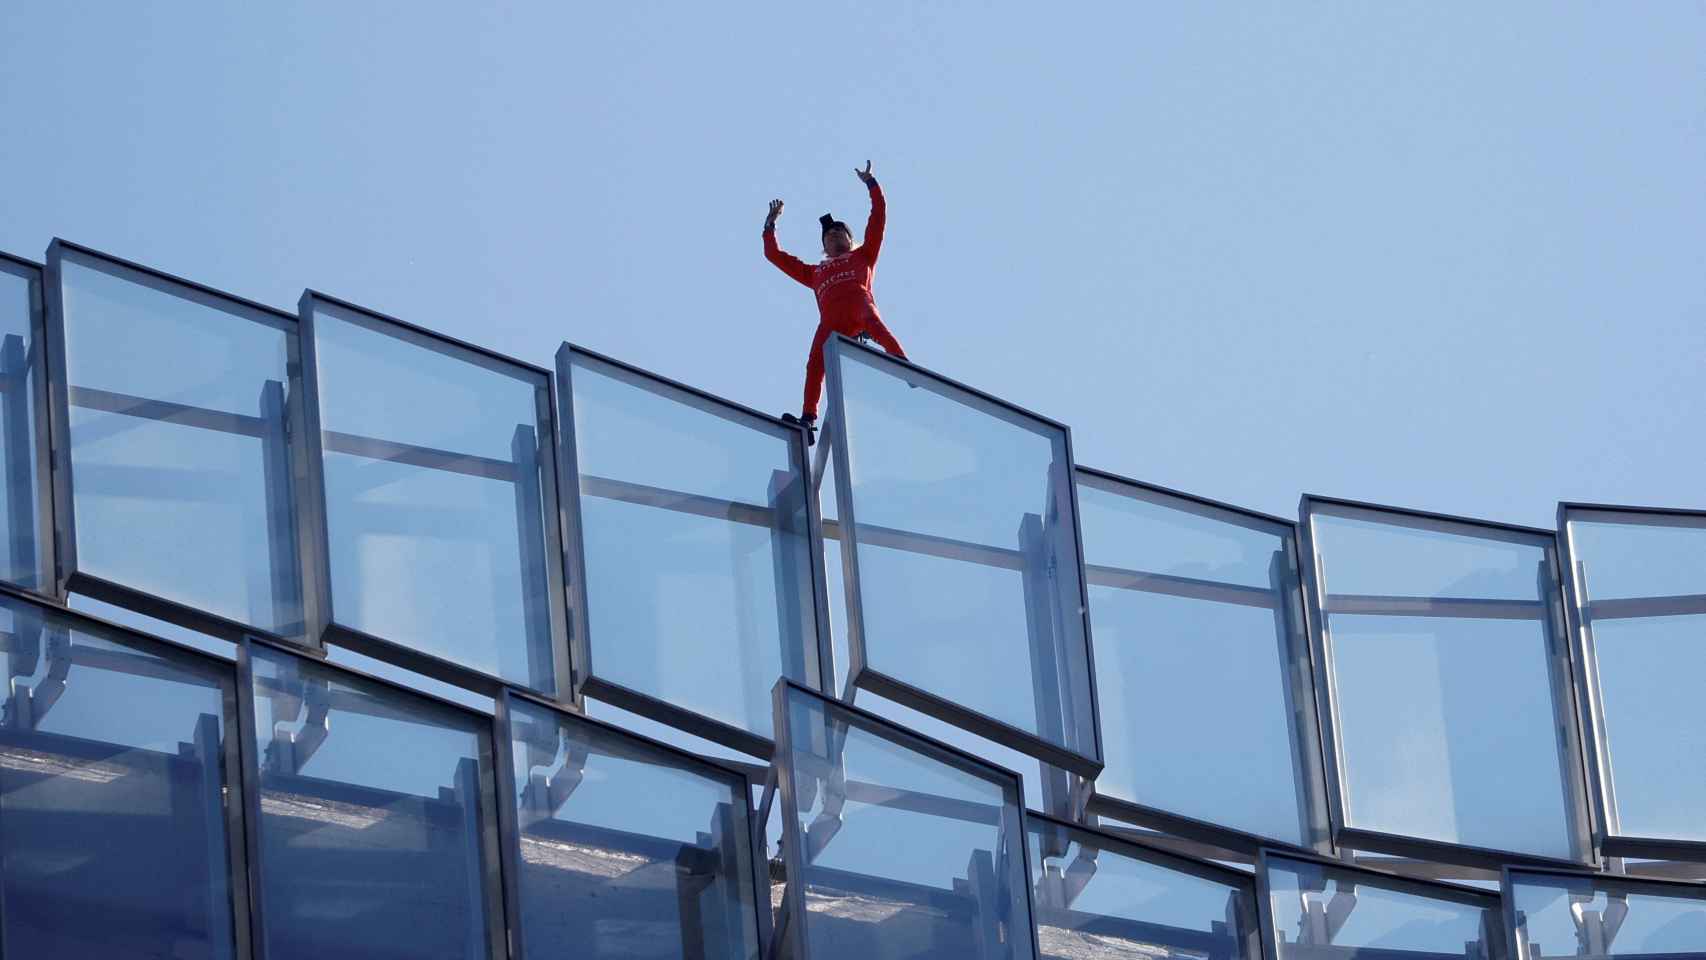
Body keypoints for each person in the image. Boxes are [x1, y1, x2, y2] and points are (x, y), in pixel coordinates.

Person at [764, 160, 907, 440]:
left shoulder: (863, 255)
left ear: (849, 239)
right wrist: (770, 226)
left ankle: (907, 371)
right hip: (830, 324)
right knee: (815, 362)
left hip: (860, 310)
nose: (832, 235)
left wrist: (871, 183)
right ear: (824, 246)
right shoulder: (815, 272)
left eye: (838, 231)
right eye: (828, 235)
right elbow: (775, 256)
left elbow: (879, 215)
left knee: (875, 323)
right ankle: (807, 420)